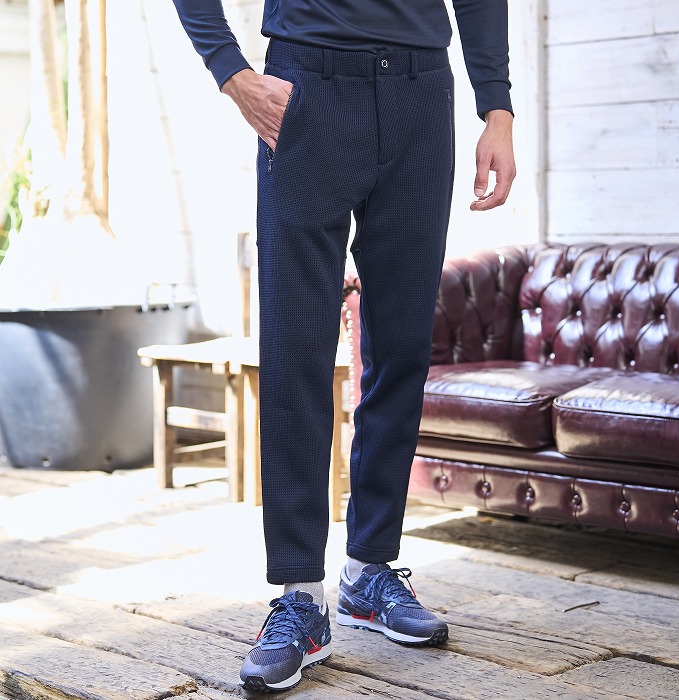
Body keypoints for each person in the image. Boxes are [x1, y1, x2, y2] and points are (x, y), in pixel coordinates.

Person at [172, 0, 515, 692]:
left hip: (422, 96)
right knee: (296, 354)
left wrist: (497, 108)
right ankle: (300, 594)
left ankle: (369, 570)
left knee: (401, 350)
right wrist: (232, 73)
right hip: (307, 91)